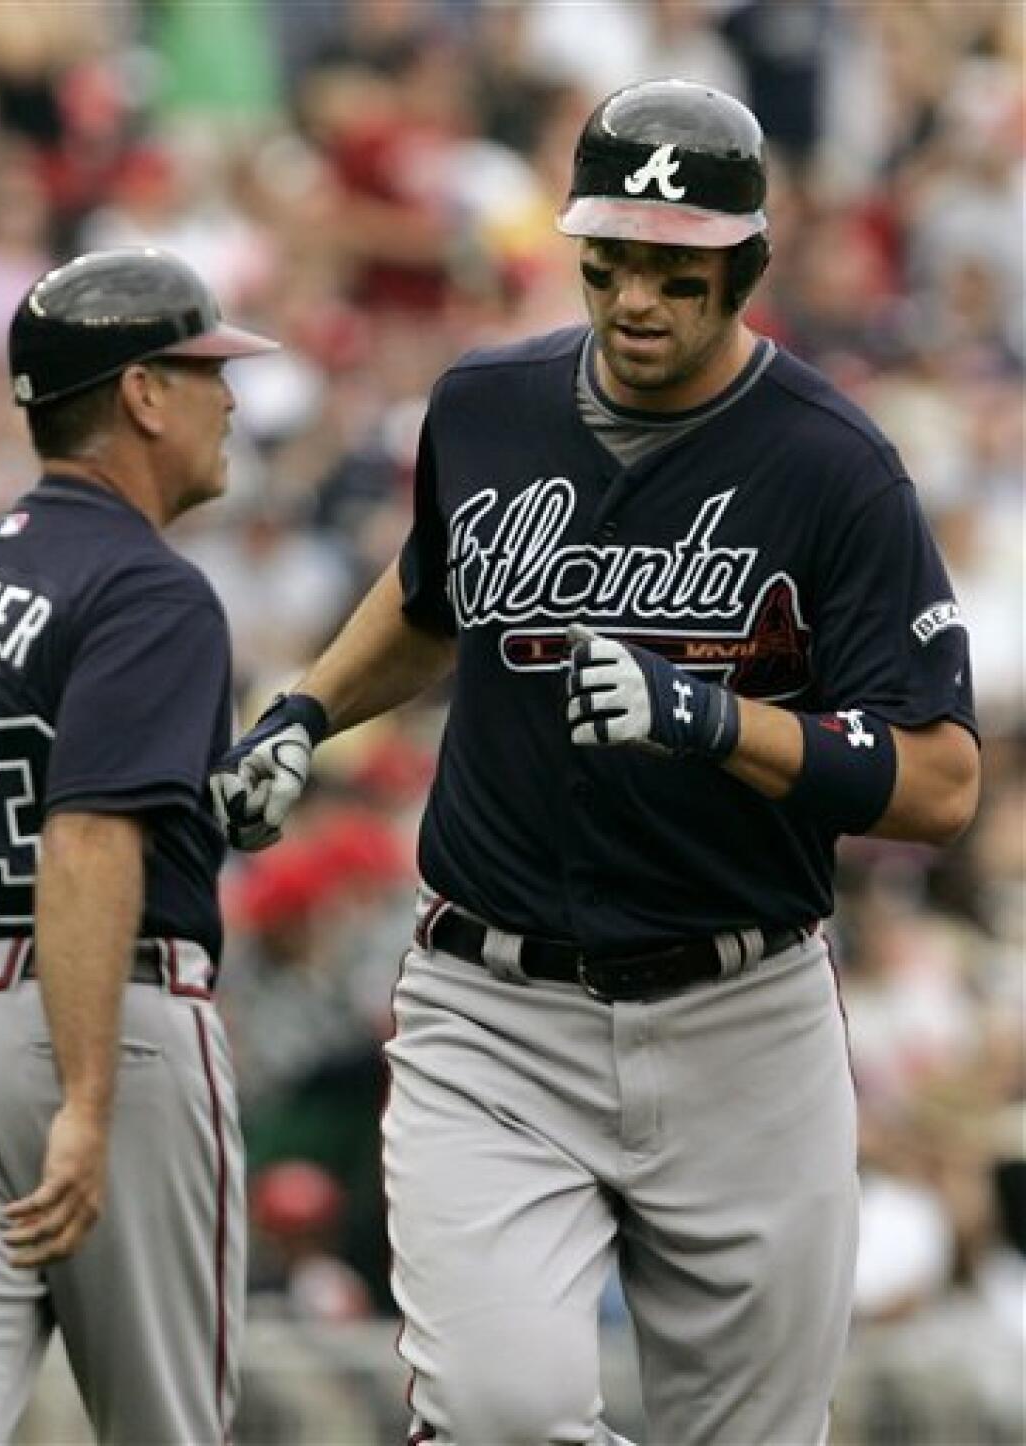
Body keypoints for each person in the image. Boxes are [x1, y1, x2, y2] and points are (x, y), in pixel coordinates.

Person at [212, 80, 981, 1446]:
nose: (635, 298)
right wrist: (305, 710)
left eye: (675, 271)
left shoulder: (835, 464)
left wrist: (713, 720)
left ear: (745, 265)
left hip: (744, 1016)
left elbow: (937, 779)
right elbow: (437, 589)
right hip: (492, 1008)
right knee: (497, 1416)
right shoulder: (491, 404)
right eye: (609, 259)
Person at [0, 246, 278, 1444]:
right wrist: (81, 1097)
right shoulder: (150, 587)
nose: (229, 399)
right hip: (97, 1028)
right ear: (142, 394)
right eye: (205, 372)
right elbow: (85, 842)